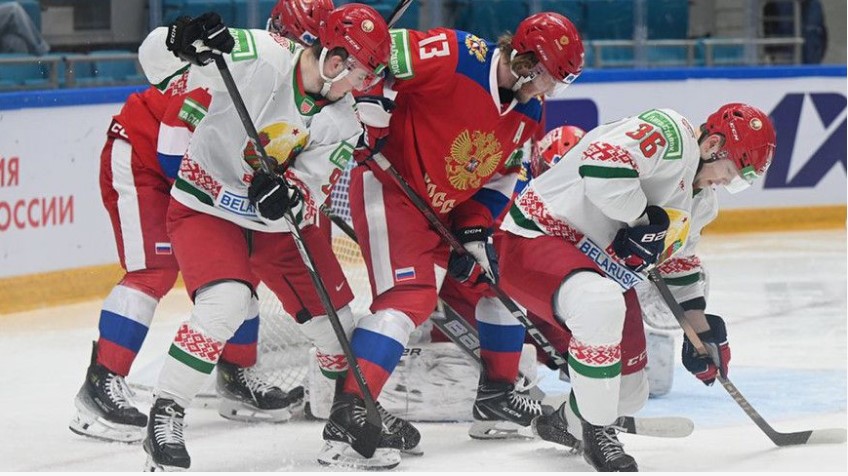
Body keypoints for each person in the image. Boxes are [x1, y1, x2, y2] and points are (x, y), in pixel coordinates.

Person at [136, 4, 394, 470]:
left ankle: (343, 420)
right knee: (227, 302)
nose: (362, 87)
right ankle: (166, 414)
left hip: (277, 230)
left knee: (338, 330)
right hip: (207, 207)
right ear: (336, 61)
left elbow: (311, 189)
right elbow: (157, 66)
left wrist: (289, 194)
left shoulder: (344, 121)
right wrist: (177, 39)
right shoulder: (259, 53)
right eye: (360, 75)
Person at [323, 11, 584, 466]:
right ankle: (350, 414)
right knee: (409, 297)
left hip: (445, 208)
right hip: (391, 186)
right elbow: (378, 52)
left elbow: (501, 177)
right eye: (548, 77)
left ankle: (496, 398)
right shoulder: (456, 54)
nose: (549, 91)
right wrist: (372, 110)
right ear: (526, 61)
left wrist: (476, 231)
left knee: (502, 277)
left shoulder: (528, 113)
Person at [68, 0, 335, 444]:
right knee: (154, 270)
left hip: (204, 176)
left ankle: (236, 375)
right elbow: (172, 156)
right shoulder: (243, 66)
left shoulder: (302, 88)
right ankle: (101, 383)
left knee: (241, 267)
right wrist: (231, 203)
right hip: (145, 159)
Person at [496, 103, 776, 471]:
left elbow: (676, 262)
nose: (725, 183)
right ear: (712, 146)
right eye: (729, 172)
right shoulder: (669, 132)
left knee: (629, 393)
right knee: (601, 304)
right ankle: (596, 433)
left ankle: (566, 422)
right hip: (537, 239)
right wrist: (643, 219)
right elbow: (601, 165)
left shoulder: (702, 204)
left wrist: (700, 330)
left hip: (599, 273)